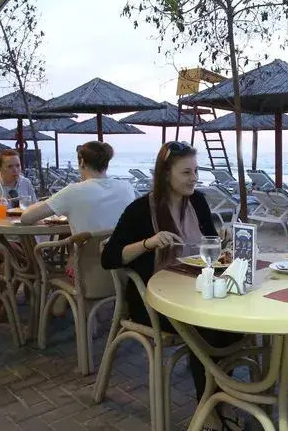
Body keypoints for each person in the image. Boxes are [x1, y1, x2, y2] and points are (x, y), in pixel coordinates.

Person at [101, 141, 240, 431]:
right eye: (186, 172)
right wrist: (147, 243)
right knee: (208, 327)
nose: (194, 178)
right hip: (154, 300)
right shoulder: (141, 210)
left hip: (196, 288)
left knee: (236, 322)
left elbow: (209, 244)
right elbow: (109, 257)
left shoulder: (198, 201)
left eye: (196, 171)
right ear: (166, 174)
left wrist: (223, 241)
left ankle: (226, 396)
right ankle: (209, 408)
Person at [22, 141, 136, 286]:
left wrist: (45, 202)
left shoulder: (73, 191)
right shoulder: (126, 188)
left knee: (69, 259)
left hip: (86, 279)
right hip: (124, 274)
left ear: (82, 162)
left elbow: (26, 218)